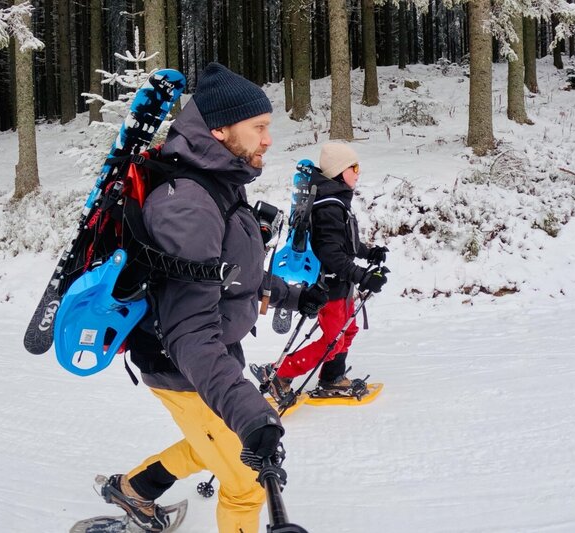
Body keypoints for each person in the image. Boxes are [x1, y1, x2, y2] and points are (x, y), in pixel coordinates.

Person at [99, 62, 327, 533]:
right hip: (182, 364)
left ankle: (135, 490)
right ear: (219, 130)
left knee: (211, 446)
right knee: (244, 483)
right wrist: (250, 415)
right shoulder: (190, 203)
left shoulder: (219, 183)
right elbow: (190, 331)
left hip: (211, 356)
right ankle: (137, 489)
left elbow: (231, 275)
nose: (268, 140)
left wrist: (290, 294)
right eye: (259, 128)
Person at [258, 143, 389, 407]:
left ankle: (332, 377)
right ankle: (279, 373)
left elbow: (344, 244)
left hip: (341, 285)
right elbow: (330, 254)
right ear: (341, 171)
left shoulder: (337, 200)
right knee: (332, 341)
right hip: (330, 285)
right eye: (354, 167)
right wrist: (362, 276)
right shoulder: (330, 206)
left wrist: (369, 253)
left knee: (346, 331)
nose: (358, 172)